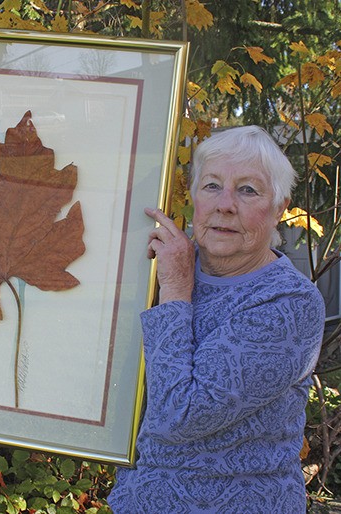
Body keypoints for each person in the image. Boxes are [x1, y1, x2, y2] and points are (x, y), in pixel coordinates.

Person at [107, 125, 325, 513]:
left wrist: (174, 290)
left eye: (247, 190)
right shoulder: (151, 271)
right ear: (192, 196)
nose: (225, 204)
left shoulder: (289, 302)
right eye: (212, 186)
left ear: (278, 208)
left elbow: (181, 414)